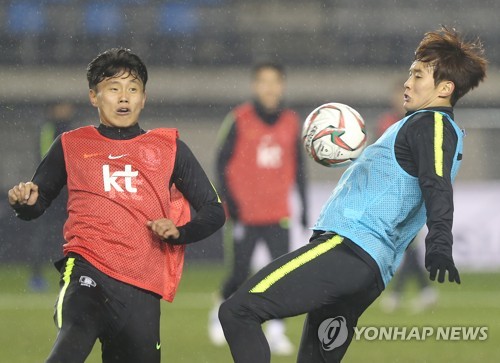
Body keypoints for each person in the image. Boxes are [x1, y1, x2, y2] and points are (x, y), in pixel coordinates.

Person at [218, 27, 487, 363]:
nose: (407, 82)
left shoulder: (432, 124)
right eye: (409, 73)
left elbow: (436, 183)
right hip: (368, 272)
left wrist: (439, 241)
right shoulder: (424, 127)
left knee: (237, 312)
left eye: (418, 75)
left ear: (445, 88)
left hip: (347, 250)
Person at [8, 48, 225, 363]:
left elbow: (214, 211)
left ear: (143, 98)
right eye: (114, 89)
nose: (124, 97)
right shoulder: (71, 144)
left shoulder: (169, 148)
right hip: (87, 270)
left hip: (142, 284)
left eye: (132, 89)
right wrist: (26, 202)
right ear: (94, 97)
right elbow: (37, 202)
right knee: (73, 336)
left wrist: (178, 232)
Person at [208, 61, 308, 355]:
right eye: (263, 81)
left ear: (282, 85)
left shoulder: (291, 121)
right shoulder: (239, 119)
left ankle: (276, 332)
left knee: (282, 276)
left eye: (274, 81)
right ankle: (219, 312)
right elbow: (220, 162)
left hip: (279, 212)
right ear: (255, 85)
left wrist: (301, 205)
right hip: (245, 214)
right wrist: (229, 203)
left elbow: (299, 165)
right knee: (240, 274)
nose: (269, 87)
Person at [376, 83, 438, 313]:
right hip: (392, 192)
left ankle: (398, 294)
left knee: (406, 244)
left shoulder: (419, 123)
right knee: (406, 244)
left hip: (412, 191)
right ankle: (424, 291)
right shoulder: (386, 123)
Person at [28, 102, 75, 292]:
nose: (66, 110)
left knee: (72, 233)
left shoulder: (73, 129)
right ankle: (37, 277)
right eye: (62, 107)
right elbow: (45, 157)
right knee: (44, 233)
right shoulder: (49, 129)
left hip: (69, 192)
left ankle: (72, 273)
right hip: (51, 191)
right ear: (53, 110)